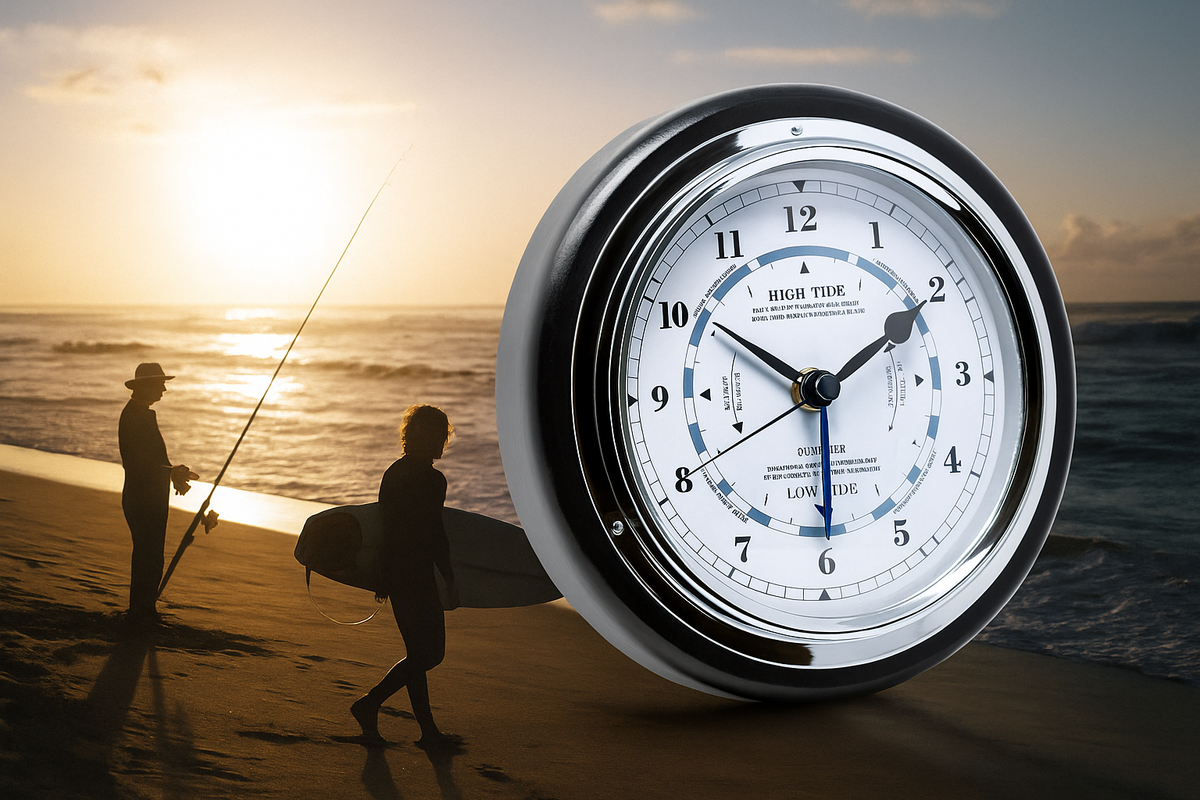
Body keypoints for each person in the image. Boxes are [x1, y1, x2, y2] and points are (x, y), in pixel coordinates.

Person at [351, 404, 461, 748]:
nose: (442, 442)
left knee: (419, 653)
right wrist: (449, 576)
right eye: (438, 435)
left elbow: (385, 527)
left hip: (401, 572)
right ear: (423, 436)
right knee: (429, 654)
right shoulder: (431, 480)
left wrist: (382, 574)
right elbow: (432, 533)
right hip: (414, 575)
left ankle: (426, 730)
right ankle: (371, 703)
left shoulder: (395, 472)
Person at [118, 362, 196, 627]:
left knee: (150, 554)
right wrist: (171, 472)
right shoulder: (135, 417)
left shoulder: (141, 414)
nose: (164, 389)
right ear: (146, 386)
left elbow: (152, 459)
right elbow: (137, 463)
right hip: (142, 498)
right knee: (147, 554)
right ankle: (140, 612)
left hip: (149, 496)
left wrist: (173, 474)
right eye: (160, 384)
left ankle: (144, 610)